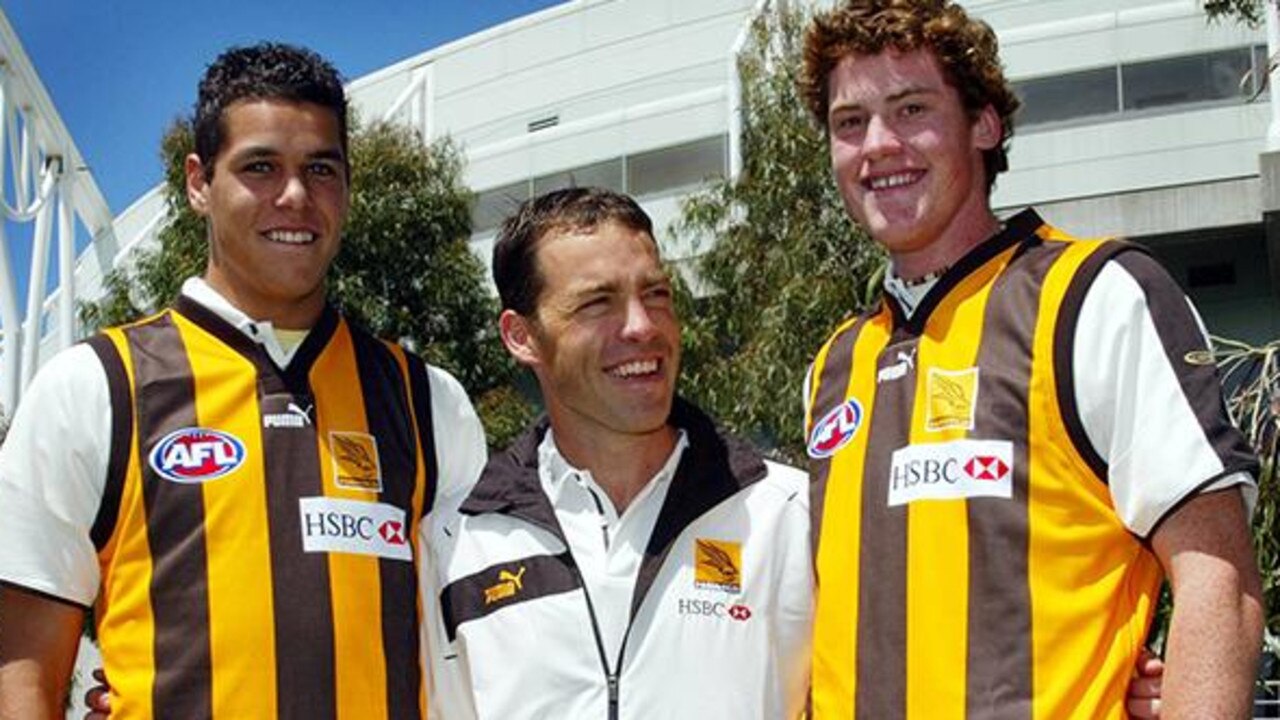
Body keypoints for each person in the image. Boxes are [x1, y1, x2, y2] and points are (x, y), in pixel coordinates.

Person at [798, 1, 1265, 717]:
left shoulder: (1095, 295)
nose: (877, 145)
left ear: (984, 124)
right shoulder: (833, 364)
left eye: (912, 108)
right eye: (849, 123)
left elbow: (1219, 580)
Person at [0, 42, 486, 719]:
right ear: (199, 182)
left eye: (322, 169)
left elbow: (484, 645)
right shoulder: (94, 387)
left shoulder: (429, 402)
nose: (295, 196)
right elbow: (21, 670)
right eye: (260, 166)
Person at [422, 187, 812, 719]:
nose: (643, 327)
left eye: (655, 294)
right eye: (597, 303)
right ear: (521, 336)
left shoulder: (788, 514)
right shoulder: (455, 543)